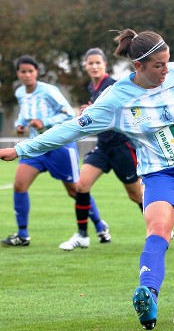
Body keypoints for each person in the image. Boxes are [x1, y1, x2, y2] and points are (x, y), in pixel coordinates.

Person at [0, 30, 174, 330]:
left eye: (167, 62)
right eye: (158, 65)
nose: (167, 69)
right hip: (159, 175)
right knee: (158, 230)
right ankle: (148, 294)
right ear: (138, 66)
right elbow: (71, 128)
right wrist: (21, 148)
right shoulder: (115, 99)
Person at [0, 55, 104, 248]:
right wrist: (20, 125)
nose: (27, 75)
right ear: (18, 74)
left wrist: (44, 123)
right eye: (23, 71)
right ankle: (23, 235)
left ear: (36, 72)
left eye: (30, 71)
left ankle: (99, 225)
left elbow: (68, 113)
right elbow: (23, 114)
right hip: (35, 147)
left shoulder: (49, 91)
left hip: (59, 146)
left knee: (75, 190)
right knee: (19, 185)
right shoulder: (20, 93)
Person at [58, 47, 143, 251]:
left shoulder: (113, 85)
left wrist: (94, 112)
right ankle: (82, 235)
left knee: (136, 195)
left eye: (98, 62)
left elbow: (125, 111)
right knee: (81, 186)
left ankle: (161, 227)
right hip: (104, 147)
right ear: (85, 66)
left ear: (105, 65)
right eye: (91, 63)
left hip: (122, 147)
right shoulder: (92, 88)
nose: (94, 66)